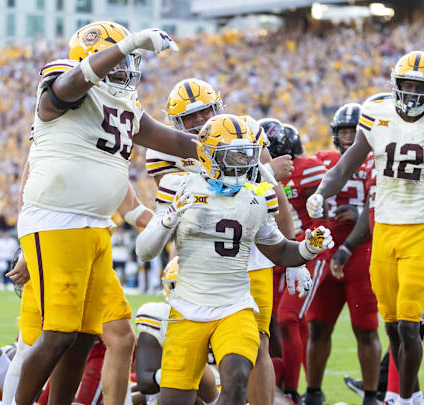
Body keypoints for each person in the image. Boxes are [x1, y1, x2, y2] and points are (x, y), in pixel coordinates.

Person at [14, 21, 193, 405]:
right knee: (59, 333)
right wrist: (128, 42)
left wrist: (227, 149)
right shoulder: (63, 77)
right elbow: (63, 92)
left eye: (130, 58)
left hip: (96, 227)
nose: (126, 66)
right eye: (121, 58)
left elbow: (173, 139)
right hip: (56, 220)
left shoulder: (125, 103)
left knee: (88, 336)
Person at [307, 51, 424, 405]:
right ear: (395, 86)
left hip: (421, 230)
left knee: (411, 325)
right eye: (407, 85)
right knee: (393, 326)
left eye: (420, 87)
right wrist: (321, 191)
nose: (412, 93)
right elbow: (345, 165)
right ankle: (403, 394)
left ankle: (405, 398)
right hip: (384, 230)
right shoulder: (376, 116)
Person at [136, 114, 333, 405]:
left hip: (235, 306)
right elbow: (144, 251)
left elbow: (278, 249)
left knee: (239, 373)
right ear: (208, 155)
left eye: (247, 156)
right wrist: (169, 217)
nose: (243, 164)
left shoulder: (256, 196)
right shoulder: (180, 187)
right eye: (233, 157)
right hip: (187, 308)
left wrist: (306, 250)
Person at [147, 78, 296, 405]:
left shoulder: (243, 131)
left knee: (256, 345)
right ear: (176, 123)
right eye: (191, 116)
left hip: (252, 253)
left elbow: (272, 195)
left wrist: (293, 246)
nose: (200, 120)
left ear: (219, 107)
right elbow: (170, 211)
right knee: (193, 348)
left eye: (206, 111)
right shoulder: (165, 147)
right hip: (199, 263)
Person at [300, 102, 382, 405]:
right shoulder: (322, 162)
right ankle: (313, 391)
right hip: (326, 251)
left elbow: (380, 207)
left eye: (353, 131)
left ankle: (371, 394)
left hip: (362, 252)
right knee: (318, 326)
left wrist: (360, 214)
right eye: (344, 131)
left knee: (366, 327)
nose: (348, 137)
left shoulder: (377, 161)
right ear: (336, 134)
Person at [266, 120, 327, 402]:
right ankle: (289, 385)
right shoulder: (261, 174)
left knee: (289, 318)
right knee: (285, 321)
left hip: (307, 251)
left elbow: (321, 213)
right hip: (278, 253)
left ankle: (291, 389)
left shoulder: (307, 168)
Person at [134, 258, 220, 405]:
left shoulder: (228, 314)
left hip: (219, 393)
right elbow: (144, 382)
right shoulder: (160, 315)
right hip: (172, 390)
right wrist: (172, 373)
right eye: (179, 286)